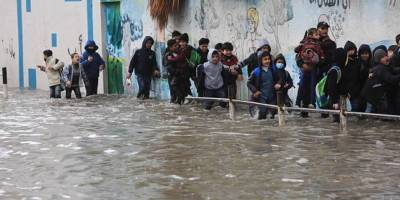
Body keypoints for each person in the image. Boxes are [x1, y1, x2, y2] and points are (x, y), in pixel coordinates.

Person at [361, 49, 400, 114]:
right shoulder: (380, 69)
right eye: (383, 57)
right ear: (379, 59)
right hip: (371, 96)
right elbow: (391, 79)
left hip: (373, 95)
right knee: (369, 114)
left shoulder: (383, 66)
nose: (386, 58)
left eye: (386, 56)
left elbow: (392, 69)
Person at [247, 51, 277, 120]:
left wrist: (278, 83)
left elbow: (279, 78)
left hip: (272, 96)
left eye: (268, 59)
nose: (267, 61)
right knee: (262, 114)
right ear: (261, 61)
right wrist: (255, 91)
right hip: (261, 96)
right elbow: (249, 83)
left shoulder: (273, 70)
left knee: (272, 115)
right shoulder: (256, 71)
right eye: (265, 59)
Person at [325, 48, 347, 122]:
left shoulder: (339, 67)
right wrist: (334, 102)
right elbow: (331, 87)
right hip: (335, 100)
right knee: (337, 121)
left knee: (339, 120)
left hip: (338, 99)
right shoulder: (335, 70)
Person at [164, 39, 190, 104]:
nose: (177, 47)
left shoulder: (179, 53)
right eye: (174, 46)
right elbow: (169, 67)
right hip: (173, 77)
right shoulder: (168, 55)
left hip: (181, 77)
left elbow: (184, 62)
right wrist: (178, 71)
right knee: (174, 95)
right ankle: (174, 110)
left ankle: (180, 110)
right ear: (170, 47)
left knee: (183, 93)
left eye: (177, 45)